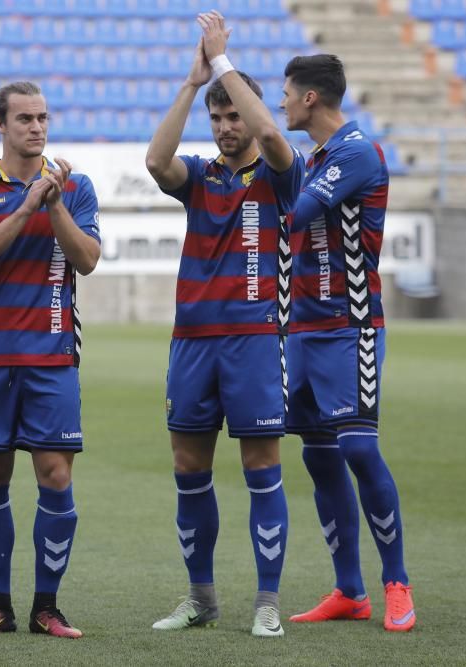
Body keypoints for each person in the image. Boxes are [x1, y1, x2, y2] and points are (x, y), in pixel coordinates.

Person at [145, 13, 302, 638]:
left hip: (255, 340)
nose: (226, 126)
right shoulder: (200, 177)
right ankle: (201, 598)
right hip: (193, 342)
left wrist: (225, 66)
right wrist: (193, 83)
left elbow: (270, 130)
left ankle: (266, 601)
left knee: (262, 465)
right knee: (189, 466)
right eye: (218, 118)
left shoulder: (279, 175)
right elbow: (156, 160)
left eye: (232, 115)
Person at [0, 81, 100, 639]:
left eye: (42, 118)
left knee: (55, 474)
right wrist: (25, 206)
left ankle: (47, 606)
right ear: (0, 125)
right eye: (24, 119)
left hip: (52, 356)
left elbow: (86, 260)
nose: (36, 127)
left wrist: (54, 205)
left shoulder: (76, 188)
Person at [276, 53, 416, 632]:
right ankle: (349, 590)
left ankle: (397, 584)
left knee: (359, 449)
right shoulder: (315, 157)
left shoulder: (356, 152)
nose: (281, 103)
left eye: (286, 93)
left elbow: (298, 212)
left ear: (310, 98)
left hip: (349, 325)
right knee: (319, 457)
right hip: (301, 330)